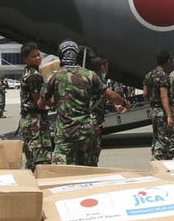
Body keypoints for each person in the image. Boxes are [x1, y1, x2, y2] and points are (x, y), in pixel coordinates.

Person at [39, 41, 129, 165]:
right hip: (85, 133)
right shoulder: (89, 75)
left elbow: (41, 103)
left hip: (65, 133)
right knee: (87, 169)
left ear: (61, 55)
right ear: (76, 56)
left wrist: (53, 101)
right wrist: (124, 103)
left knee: (61, 172)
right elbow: (111, 95)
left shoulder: (53, 77)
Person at [19, 42, 52, 171]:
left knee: (31, 158)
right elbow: (39, 103)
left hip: (28, 120)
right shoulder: (34, 76)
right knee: (41, 160)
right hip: (36, 122)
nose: (38, 58)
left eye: (38, 55)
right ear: (26, 59)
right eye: (33, 56)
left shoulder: (28, 71)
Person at [144, 50, 174, 160]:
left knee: (156, 137)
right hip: (161, 111)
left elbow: (145, 94)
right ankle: (158, 161)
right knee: (164, 138)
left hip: (153, 110)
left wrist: (152, 101)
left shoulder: (148, 75)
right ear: (167, 61)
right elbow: (164, 96)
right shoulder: (163, 76)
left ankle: (155, 156)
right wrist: (169, 115)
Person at [87, 56, 110, 166]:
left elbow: (101, 99)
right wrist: (95, 122)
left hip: (96, 121)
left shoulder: (98, 79)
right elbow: (89, 104)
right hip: (93, 122)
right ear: (102, 67)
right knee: (92, 151)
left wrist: (115, 107)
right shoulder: (94, 81)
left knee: (95, 151)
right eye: (106, 66)